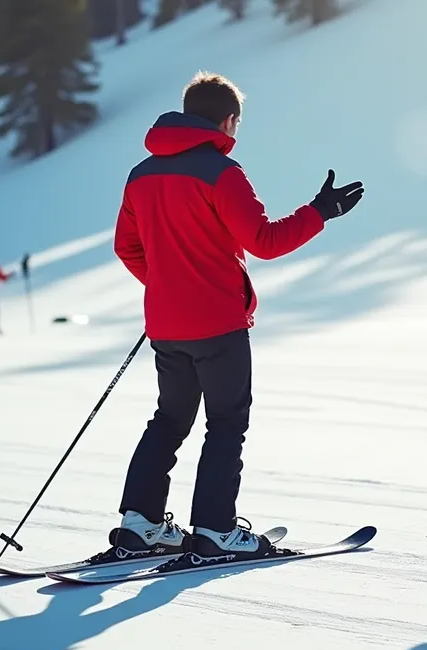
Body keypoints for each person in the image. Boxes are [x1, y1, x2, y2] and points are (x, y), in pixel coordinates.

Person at [110, 71, 364, 561]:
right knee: (226, 423)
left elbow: (127, 247)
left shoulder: (141, 174)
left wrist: (169, 287)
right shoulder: (222, 173)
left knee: (169, 419)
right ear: (227, 121)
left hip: (166, 325)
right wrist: (320, 211)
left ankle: (138, 525)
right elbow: (263, 242)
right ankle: (215, 530)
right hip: (218, 325)